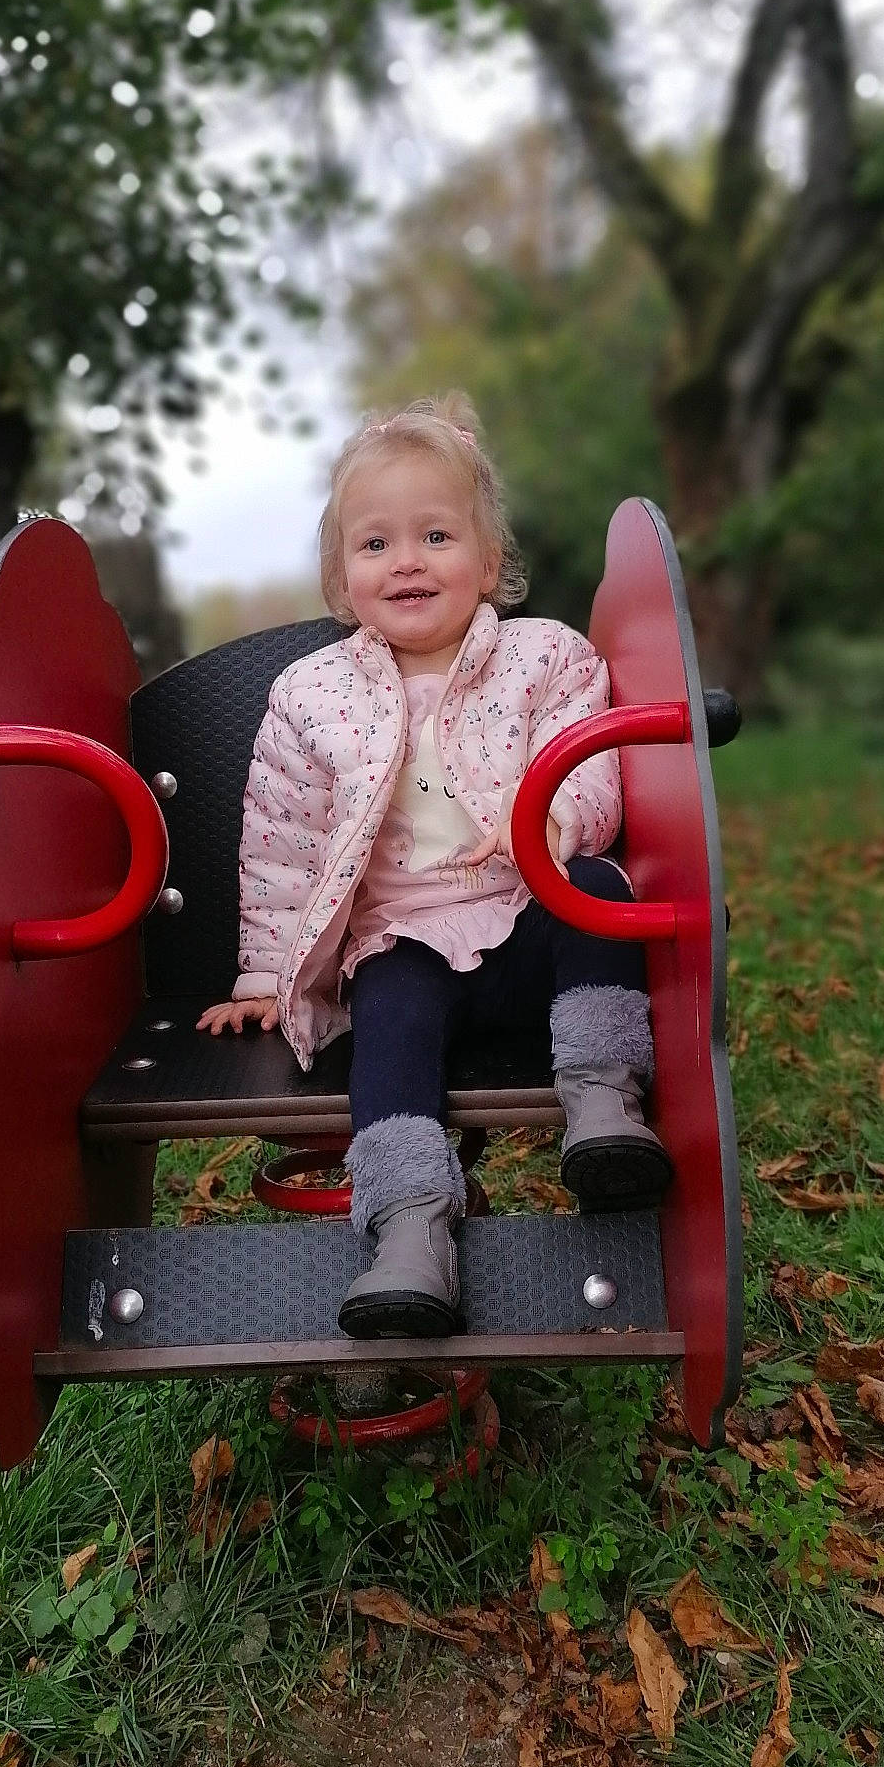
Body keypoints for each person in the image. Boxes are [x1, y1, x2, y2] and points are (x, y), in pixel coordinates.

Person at [197, 392, 670, 1339]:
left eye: (437, 536)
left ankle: (603, 1104)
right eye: (375, 546)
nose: (407, 561)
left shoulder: (546, 659)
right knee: (391, 1021)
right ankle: (410, 1231)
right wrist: (263, 973)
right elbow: (282, 843)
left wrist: (552, 828)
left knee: (601, 895)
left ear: (489, 562)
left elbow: (592, 762)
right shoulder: (312, 695)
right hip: (403, 936)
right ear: (342, 579)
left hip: (526, 899)